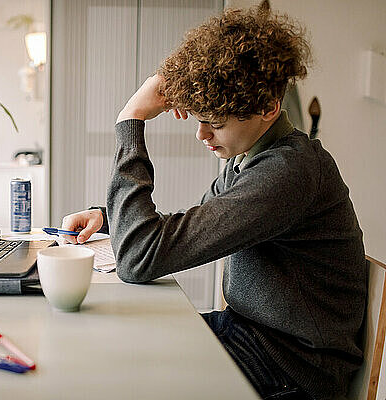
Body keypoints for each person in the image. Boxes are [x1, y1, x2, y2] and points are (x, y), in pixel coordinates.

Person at [61, 5, 367, 400]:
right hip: (249, 337)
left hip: (291, 371)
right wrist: (109, 221)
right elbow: (188, 228)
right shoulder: (252, 156)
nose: (201, 135)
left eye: (216, 122)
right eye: (199, 119)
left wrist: (131, 118)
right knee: (115, 343)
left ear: (268, 108)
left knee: (120, 373)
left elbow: (140, 259)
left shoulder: (288, 172)